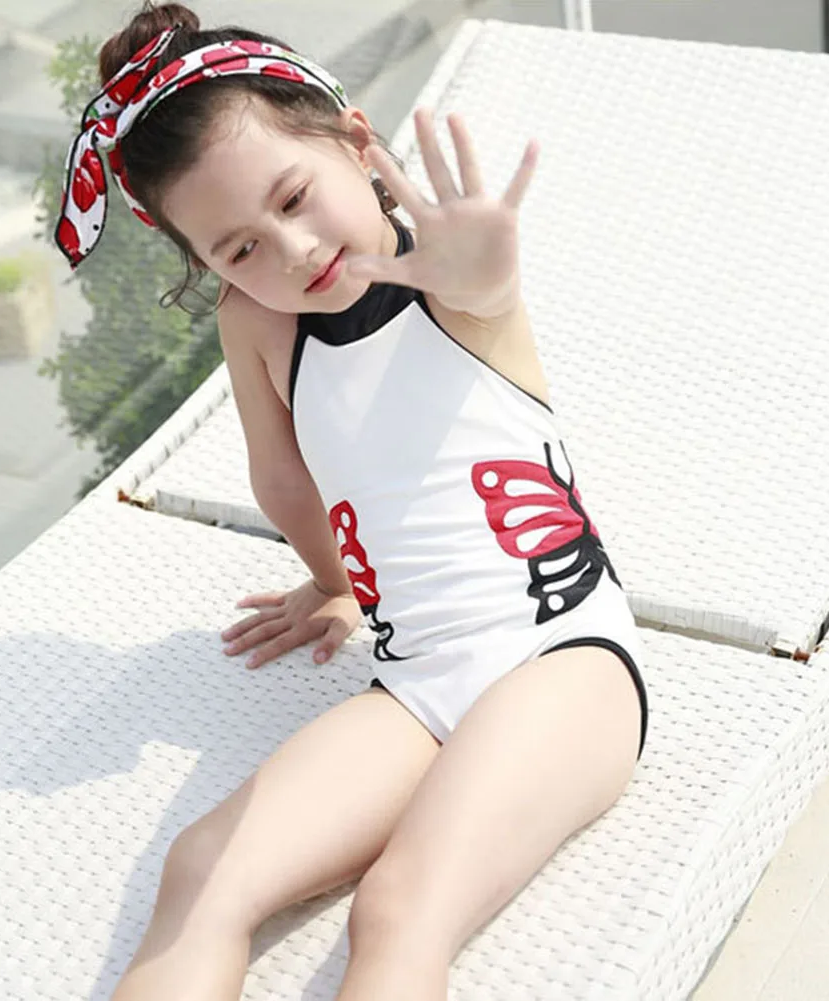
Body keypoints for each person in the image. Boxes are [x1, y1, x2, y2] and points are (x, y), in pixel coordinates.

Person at [56, 4, 649, 999]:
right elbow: (285, 479)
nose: (289, 250)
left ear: (354, 139)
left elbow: (487, 291)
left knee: (401, 906)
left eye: (295, 197)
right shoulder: (258, 323)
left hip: (563, 658)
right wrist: (335, 585)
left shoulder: (445, 275)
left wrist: (484, 266)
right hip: (416, 679)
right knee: (200, 873)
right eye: (237, 249)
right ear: (205, 266)